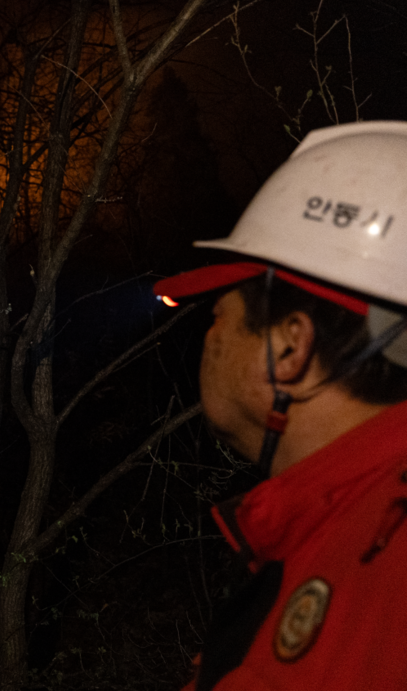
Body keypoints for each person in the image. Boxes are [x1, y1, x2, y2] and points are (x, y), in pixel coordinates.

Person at [153, 120, 407, 690]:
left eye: (223, 312)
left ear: (290, 347)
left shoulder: (384, 566)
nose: (210, 334)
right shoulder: (347, 527)